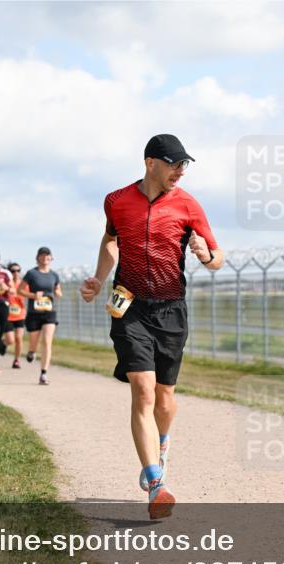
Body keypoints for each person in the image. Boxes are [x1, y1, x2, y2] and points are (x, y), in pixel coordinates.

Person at [80, 134, 224, 520]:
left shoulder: (188, 204)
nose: (180, 170)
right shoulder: (116, 201)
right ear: (150, 163)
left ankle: (161, 444)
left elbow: (217, 259)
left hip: (171, 310)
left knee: (164, 398)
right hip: (129, 306)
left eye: (184, 165)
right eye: (174, 163)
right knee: (142, 391)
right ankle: (156, 482)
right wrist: (98, 278)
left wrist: (205, 253)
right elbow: (111, 240)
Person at [19, 247, 61, 386]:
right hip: (34, 313)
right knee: (34, 341)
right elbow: (20, 290)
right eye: (42, 256)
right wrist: (32, 295)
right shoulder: (31, 273)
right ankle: (31, 352)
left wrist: (58, 293)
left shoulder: (54, 275)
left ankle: (43, 373)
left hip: (49, 312)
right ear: (37, 258)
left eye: (47, 256)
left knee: (47, 341)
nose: (44, 259)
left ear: (51, 258)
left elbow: (57, 289)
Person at [6, 262, 27, 368]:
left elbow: (28, 295)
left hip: (20, 314)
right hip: (8, 315)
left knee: (19, 338)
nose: (16, 273)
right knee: (10, 340)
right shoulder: (5, 283)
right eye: (13, 271)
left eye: (18, 270)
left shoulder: (24, 284)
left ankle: (16, 360)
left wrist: (20, 294)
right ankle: (4, 344)